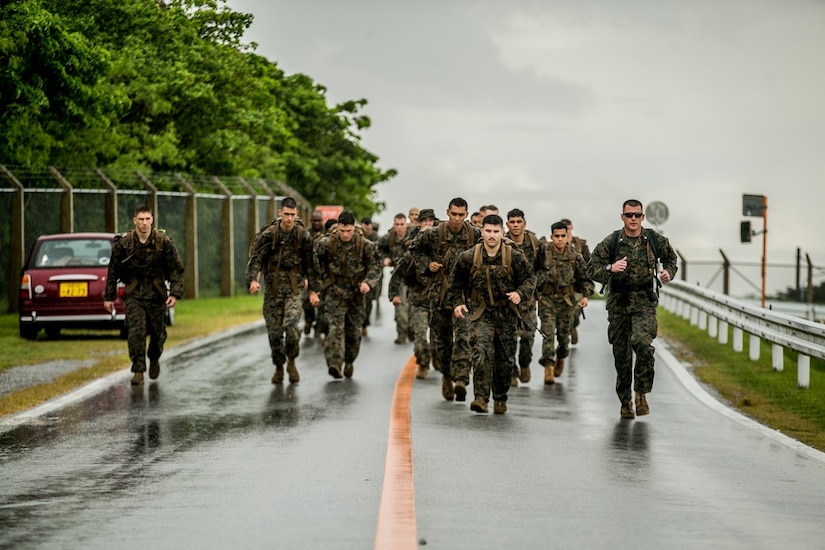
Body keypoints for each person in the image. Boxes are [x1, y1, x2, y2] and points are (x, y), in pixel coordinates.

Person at [587, 199, 677, 419]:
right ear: (622, 217)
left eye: (637, 215)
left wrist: (668, 273)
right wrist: (610, 268)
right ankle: (625, 400)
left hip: (644, 301)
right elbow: (591, 268)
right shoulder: (612, 242)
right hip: (619, 302)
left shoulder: (654, 240)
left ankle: (641, 393)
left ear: (643, 217)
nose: (633, 219)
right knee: (622, 355)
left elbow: (671, 260)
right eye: (629, 215)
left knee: (642, 345)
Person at [448, 214, 536, 414]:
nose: (492, 236)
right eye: (488, 231)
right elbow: (455, 283)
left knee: (504, 359)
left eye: (496, 232)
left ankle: (500, 398)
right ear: (482, 232)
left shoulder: (514, 256)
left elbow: (530, 279)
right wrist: (458, 303)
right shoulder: (469, 256)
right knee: (481, 352)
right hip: (481, 313)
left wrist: (519, 294)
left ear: (502, 232)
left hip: (506, 313)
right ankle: (480, 397)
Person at [409, 197, 480, 401]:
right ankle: (447, 376)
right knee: (441, 342)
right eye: (453, 214)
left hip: (464, 297)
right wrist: (427, 263)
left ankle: (461, 379)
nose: (457, 218)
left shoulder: (474, 234)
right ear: (447, 212)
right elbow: (415, 248)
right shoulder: (434, 233)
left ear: (466, 215)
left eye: (461, 215)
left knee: (464, 338)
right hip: (439, 295)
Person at [104, 205, 184, 386]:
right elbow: (113, 271)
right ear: (134, 221)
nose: (144, 223)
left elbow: (176, 270)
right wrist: (109, 297)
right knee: (135, 332)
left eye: (147, 219)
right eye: (141, 219)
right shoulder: (124, 244)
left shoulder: (163, 242)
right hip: (134, 295)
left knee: (158, 335)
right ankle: (138, 369)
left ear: (152, 220)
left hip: (157, 295)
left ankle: (154, 358)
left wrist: (175, 294)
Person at [245, 197, 315, 385]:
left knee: (291, 327)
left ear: (297, 215)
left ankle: (291, 360)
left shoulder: (302, 236)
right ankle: (278, 367)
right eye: (286, 214)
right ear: (279, 213)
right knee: (274, 334)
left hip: (294, 289)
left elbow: (312, 264)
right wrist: (252, 280)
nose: (289, 218)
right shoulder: (270, 235)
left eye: (292, 215)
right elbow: (256, 260)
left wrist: (314, 290)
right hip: (273, 290)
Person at [309, 211, 382, 379]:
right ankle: (334, 364)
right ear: (338, 228)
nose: (345, 234)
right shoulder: (326, 244)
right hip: (335, 292)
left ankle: (349, 361)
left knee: (354, 333)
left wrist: (367, 283)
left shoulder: (365, 245)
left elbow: (375, 267)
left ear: (353, 228)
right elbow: (314, 265)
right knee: (335, 329)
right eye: (342, 231)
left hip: (356, 294)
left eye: (348, 231)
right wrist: (314, 289)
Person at [536, 221, 594, 384]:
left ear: (567, 236)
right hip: (547, 299)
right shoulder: (543, 254)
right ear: (551, 236)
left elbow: (585, 279)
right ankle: (548, 366)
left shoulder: (575, 257)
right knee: (547, 332)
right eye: (557, 236)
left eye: (563, 236)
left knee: (563, 337)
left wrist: (585, 296)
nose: (560, 239)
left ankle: (561, 357)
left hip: (566, 302)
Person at [388, 208, 437, 379]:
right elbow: (399, 271)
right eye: (424, 221)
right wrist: (394, 294)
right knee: (420, 336)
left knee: (440, 341)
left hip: (440, 300)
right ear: (418, 223)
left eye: (431, 221)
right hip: (418, 299)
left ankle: (438, 359)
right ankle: (423, 363)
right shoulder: (412, 247)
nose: (428, 224)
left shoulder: (444, 245)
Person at [505, 208, 547, 386]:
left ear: (524, 223)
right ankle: (512, 371)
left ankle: (524, 364)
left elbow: (543, 269)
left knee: (528, 335)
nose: (515, 225)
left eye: (518, 222)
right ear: (507, 224)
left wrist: (532, 285)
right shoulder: (502, 242)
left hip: (528, 299)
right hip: (507, 299)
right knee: (509, 336)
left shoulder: (534, 243)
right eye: (512, 222)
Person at [378, 213, 412, 344]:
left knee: (413, 307)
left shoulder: (412, 236)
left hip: (413, 277)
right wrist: (385, 257)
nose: (399, 227)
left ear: (406, 224)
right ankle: (401, 333)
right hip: (398, 277)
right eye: (396, 224)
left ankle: (411, 330)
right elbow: (378, 248)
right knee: (400, 307)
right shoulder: (389, 238)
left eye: (401, 224)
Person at [561, 217, 591, 345]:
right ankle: (565, 333)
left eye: (568, 229)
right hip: (561, 287)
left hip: (576, 287)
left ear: (571, 228)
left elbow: (589, 266)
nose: (566, 232)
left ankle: (572, 327)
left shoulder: (580, 245)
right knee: (562, 315)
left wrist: (587, 290)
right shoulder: (555, 243)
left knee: (575, 313)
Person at [302, 210, 327, 336]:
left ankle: (319, 327)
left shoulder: (327, 233)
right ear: (311, 221)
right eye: (314, 220)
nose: (316, 223)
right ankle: (309, 320)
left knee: (322, 303)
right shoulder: (306, 234)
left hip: (323, 274)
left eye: (319, 220)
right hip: (310, 272)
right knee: (307, 302)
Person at [360, 215, 380, 336]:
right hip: (358, 274)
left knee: (368, 302)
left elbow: (378, 257)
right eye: (365, 228)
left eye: (369, 228)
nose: (367, 230)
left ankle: (364, 324)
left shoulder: (375, 238)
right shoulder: (357, 237)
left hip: (371, 274)